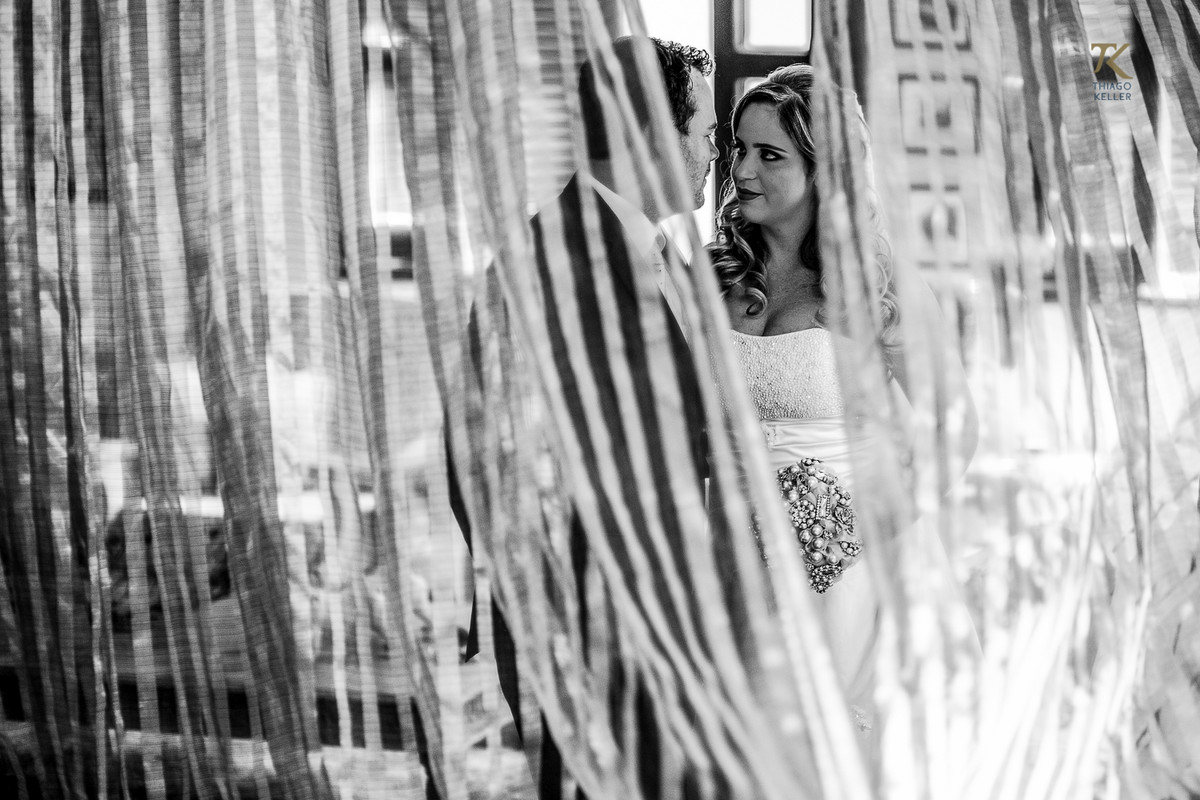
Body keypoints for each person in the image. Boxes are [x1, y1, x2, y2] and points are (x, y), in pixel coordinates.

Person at [447, 36, 720, 800]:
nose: (713, 152)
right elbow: (478, 455)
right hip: (591, 635)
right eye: (704, 131)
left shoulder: (671, 257)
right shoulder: (550, 261)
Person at [707, 63, 978, 766]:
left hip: (850, 577)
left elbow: (957, 428)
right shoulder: (717, 275)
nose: (742, 169)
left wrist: (867, 519)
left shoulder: (876, 283)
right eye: (739, 148)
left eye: (770, 155)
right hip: (735, 566)